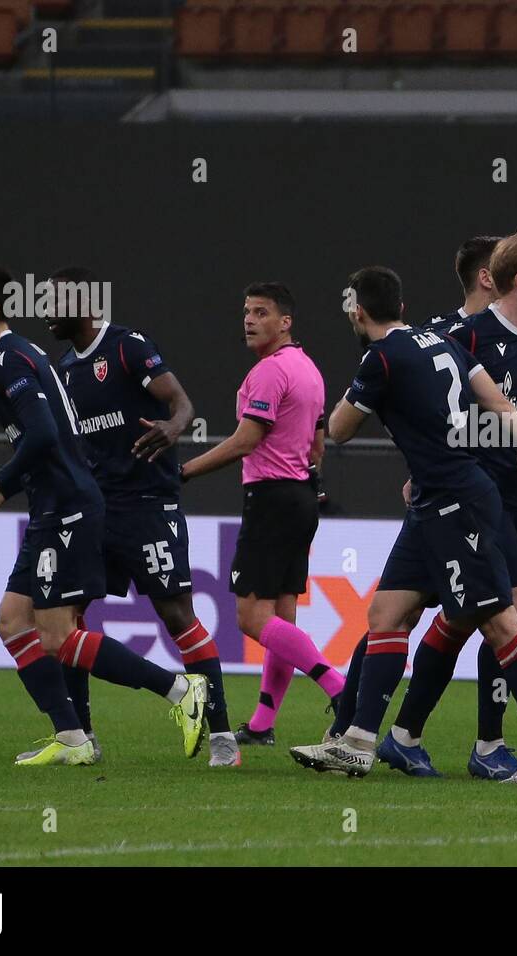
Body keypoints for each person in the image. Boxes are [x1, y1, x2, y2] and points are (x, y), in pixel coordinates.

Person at [289, 266, 517, 782]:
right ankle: (358, 741)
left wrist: (349, 398)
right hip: (438, 500)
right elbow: (498, 403)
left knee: (501, 622)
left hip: (455, 501)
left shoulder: (380, 359)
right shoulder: (444, 345)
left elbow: (338, 430)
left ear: (358, 313)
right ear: (401, 307)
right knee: (387, 612)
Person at [0, 262, 208, 765]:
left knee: (56, 635)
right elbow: (50, 443)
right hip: (53, 505)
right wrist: (6, 493)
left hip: (68, 510)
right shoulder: (11, 358)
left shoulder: (10, 358)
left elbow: (46, 435)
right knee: (11, 623)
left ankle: (180, 692)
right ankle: (72, 737)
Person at [46, 266, 238, 767]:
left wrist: (175, 427)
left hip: (149, 505)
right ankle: (81, 737)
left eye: (54, 301)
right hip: (95, 510)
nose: (45, 311)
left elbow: (181, 402)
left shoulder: (128, 346)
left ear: (83, 304)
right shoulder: (64, 368)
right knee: (68, 620)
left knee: (177, 615)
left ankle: (222, 739)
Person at [181, 282, 344, 735]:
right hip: (300, 498)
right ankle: (262, 724)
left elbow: (247, 439)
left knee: (252, 618)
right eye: (247, 312)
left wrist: (185, 471)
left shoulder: (269, 373)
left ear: (284, 322)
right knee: (282, 618)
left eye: (261, 312)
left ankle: (338, 686)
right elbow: (317, 444)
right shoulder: (309, 369)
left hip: (271, 499)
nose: (249, 320)